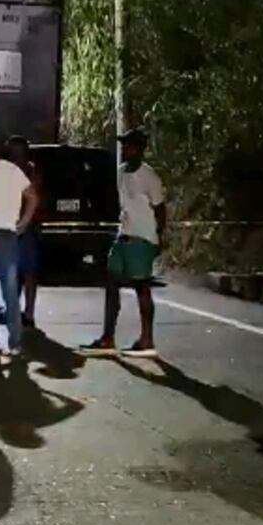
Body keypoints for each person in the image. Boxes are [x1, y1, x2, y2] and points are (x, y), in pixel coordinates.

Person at [81, 128, 166, 358]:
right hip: (124, 234)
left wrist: (158, 238)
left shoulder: (149, 177)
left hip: (143, 237)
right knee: (111, 282)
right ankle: (107, 337)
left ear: (140, 148)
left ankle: (146, 338)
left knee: (141, 287)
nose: (125, 149)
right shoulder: (121, 172)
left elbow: (160, 210)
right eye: (124, 144)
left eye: (129, 145)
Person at [0, 130, 39, 357]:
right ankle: (15, 342)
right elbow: (33, 196)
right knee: (10, 292)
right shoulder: (13, 170)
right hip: (11, 237)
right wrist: (23, 223)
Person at [6, 135, 42, 328]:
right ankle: (15, 310)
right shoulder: (12, 170)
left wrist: (24, 223)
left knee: (28, 273)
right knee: (16, 273)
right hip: (12, 226)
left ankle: (28, 312)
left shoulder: (30, 171)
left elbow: (33, 198)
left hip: (26, 228)